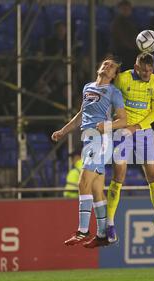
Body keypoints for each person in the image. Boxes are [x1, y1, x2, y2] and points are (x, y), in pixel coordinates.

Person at [51, 56, 127, 248]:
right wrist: (63, 131)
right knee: (96, 190)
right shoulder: (88, 87)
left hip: (100, 140)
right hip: (89, 140)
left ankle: (82, 231)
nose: (107, 66)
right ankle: (103, 234)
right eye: (105, 64)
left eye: (111, 67)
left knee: (83, 182)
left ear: (114, 75)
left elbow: (123, 121)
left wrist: (106, 125)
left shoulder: (114, 92)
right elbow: (80, 115)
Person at [106, 52, 154, 244]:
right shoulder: (123, 79)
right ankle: (109, 224)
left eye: (150, 70)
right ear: (136, 67)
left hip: (143, 130)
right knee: (119, 174)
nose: (147, 74)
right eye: (144, 70)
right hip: (122, 131)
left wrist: (136, 128)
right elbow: (111, 105)